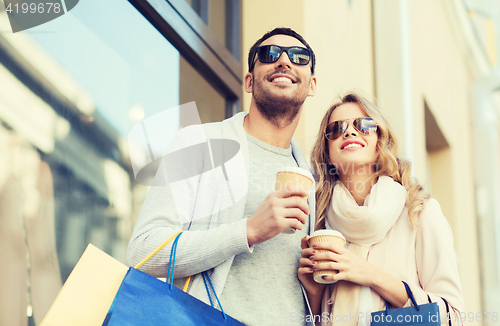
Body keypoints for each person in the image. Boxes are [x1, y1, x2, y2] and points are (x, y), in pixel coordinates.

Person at [127, 27, 317, 326]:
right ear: (249, 81)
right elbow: (144, 250)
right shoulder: (197, 143)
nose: (284, 61)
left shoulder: (313, 180)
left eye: (298, 56)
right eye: (269, 55)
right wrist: (248, 230)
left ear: (312, 85)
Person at [298, 92, 464, 326]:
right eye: (337, 128)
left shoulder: (419, 213)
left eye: (364, 125)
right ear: (327, 152)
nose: (350, 131)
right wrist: (315, 294)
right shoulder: (320, 225)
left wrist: (370, 275)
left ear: (380, 142)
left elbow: (452, 317)